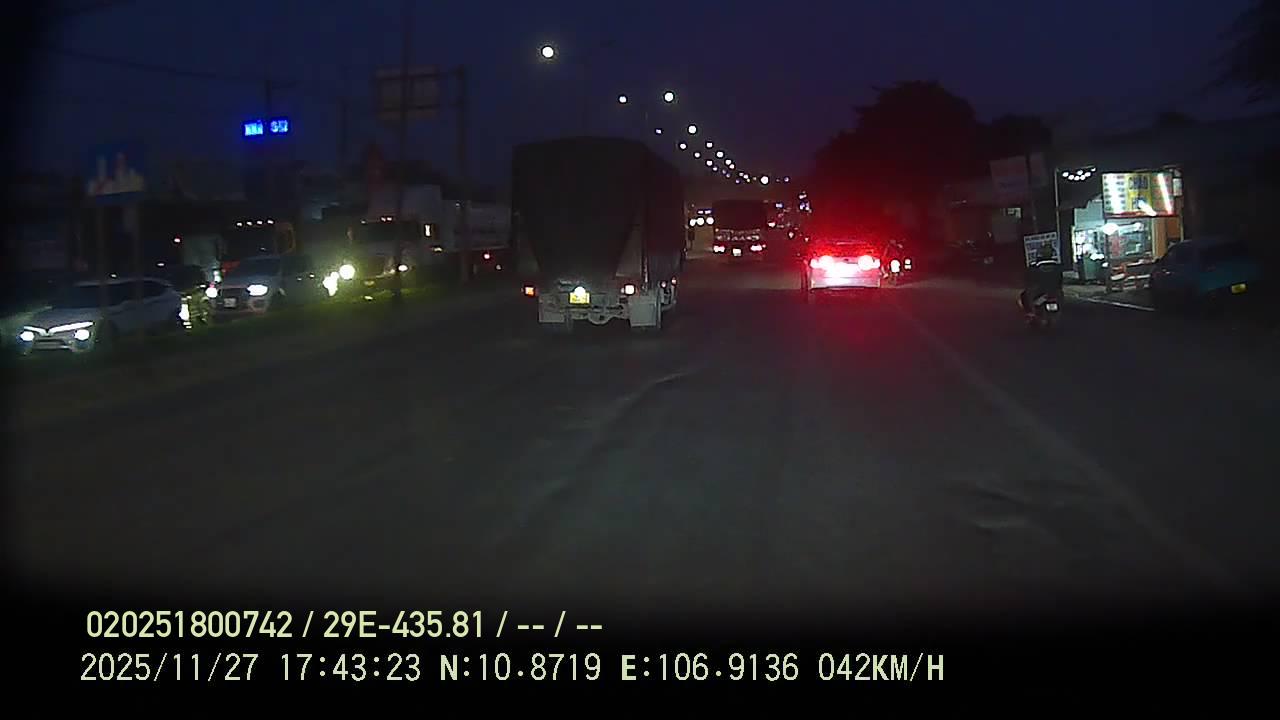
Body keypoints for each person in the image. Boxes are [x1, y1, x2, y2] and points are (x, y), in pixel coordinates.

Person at [1019, 243, 1062, 315]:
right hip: (1054, 290)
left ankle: (1030, 312)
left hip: (1040, 290)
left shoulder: (1035, 265)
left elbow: (1029, 277)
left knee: (1025, 295)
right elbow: (1060, 279)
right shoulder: (1057, 266)